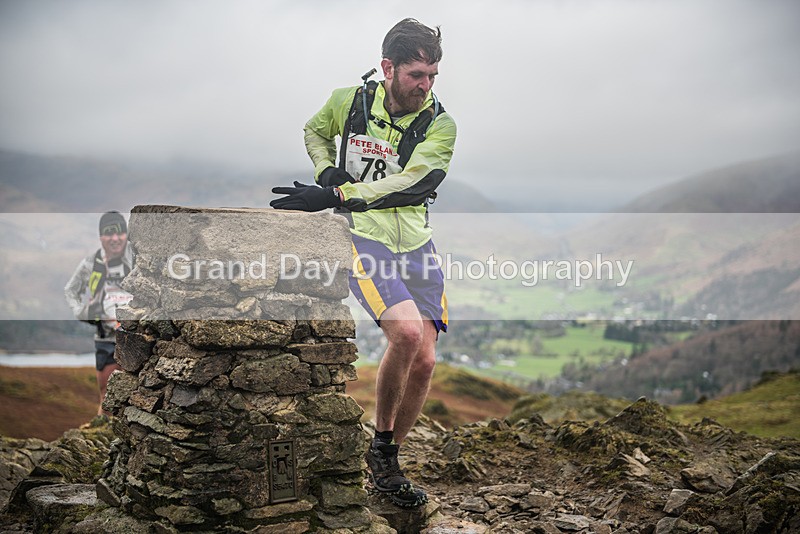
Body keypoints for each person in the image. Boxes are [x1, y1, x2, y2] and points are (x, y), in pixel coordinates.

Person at [271, 18, 456, 507]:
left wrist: (336, 191)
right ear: (388, 68)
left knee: (426, 361)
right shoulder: (349, 103)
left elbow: (413, 184)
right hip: (362, 239)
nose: (426, 85)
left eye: (433, 75)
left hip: (417, 243)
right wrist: (325, 167)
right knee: (408, 335)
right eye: (418, 74)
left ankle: (385, 459)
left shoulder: (439, 123)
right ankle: (381, 449)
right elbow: (314, 130)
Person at [65, 211, 134, 416]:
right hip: (106, 338)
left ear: (126, 234)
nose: (114, 238)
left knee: (139, 393)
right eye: (108, 234)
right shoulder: (91, 263)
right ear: (101, 237)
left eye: (119, 233)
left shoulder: (136, 257)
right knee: (107, 396)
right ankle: (105, 438)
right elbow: (71, 290)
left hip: (136, 337)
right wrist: (85, 313)